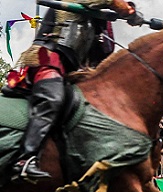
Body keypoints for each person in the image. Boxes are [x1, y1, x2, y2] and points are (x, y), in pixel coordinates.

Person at [2, 0, 143, 182]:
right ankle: (24, 160)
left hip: (71, 72)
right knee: (52, 99)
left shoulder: (99, 22)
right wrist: (128, 11)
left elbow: (101, 57)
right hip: (47, 58)